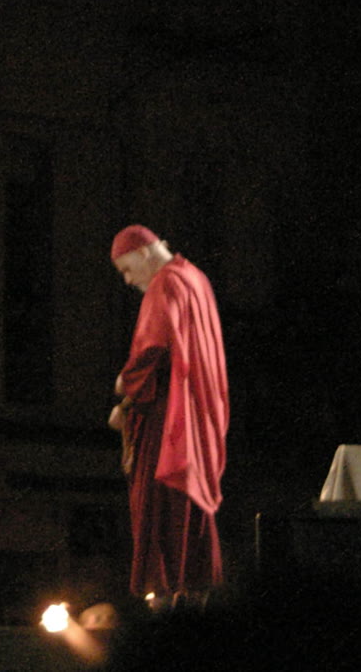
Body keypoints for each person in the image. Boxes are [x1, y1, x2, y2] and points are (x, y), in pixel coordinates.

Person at [108, 225, 228, 608]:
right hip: (197, 417)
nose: (128, 281)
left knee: (159, 508)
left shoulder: (165, 283)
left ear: (144, 252)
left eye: (127, 269)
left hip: (169, 419)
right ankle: (194, 600)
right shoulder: (196, 279)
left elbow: (154, 347)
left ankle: (163, 608)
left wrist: (126, 386)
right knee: (189, 508)